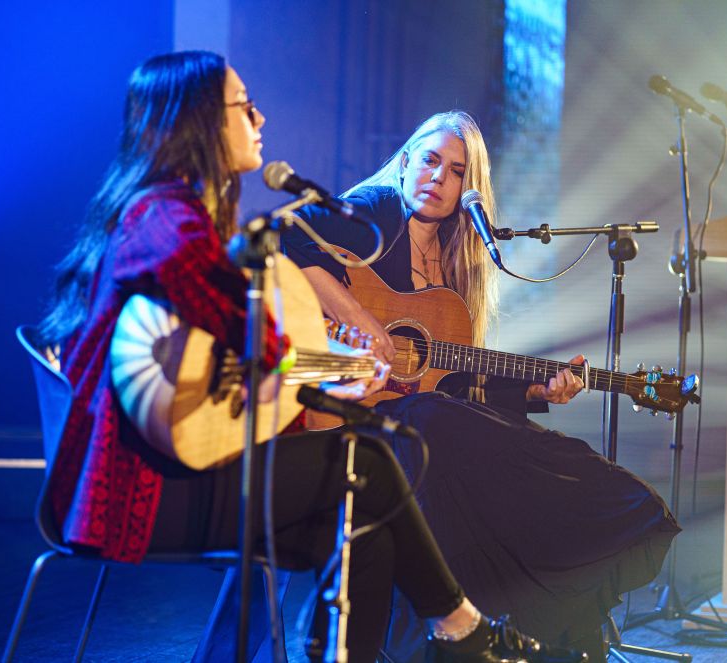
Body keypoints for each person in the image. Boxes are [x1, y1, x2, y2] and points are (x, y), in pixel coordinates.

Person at [37, 53, 585, 663]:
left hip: (172, 472)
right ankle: (462, 628)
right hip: (142, 491)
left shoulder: (165, 212)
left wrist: (333, 378)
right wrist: (331, 365)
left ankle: (449, 630)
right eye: (244, 106)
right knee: (367, 461)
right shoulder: (166, 220)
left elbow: (239, 357)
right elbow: (250, 335)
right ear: (199, 122)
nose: (260, 115)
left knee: (367, 528)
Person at [282, 110, 680, 662]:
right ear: (403, 164)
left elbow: (459, 389)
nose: (439, 178)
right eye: (429, 161)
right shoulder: (376, 215)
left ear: (470, 189)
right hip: (343, 418)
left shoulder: (454, 275)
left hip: (420, 429)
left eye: (456, 171)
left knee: (539, 454)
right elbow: (285, 238)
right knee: (436, 422)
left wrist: (535, 394)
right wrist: (364, 323)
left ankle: (559, 629)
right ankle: (459, 635)